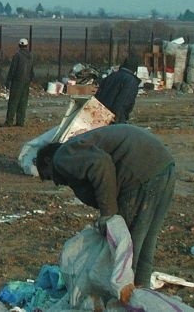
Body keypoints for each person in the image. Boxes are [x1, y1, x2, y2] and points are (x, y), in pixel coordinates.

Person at [35, 124, 176, 302]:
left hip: (140, 174)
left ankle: (124, 299)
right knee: (146, 242)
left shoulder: (62, 157)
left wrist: (109, 214)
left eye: (48, 176)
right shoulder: (79, 148)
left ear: (48, 160)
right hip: (163, 166)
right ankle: (142, 296)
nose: (55, 182)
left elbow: (100, 164)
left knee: (126, 247)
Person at [95, 55, 140, 123]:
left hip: (99, 114)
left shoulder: (111, 76)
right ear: (135, 69)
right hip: (114, 118)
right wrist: (118, 119)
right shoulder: (131, 81)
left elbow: (98, 95)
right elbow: (124, 102)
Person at [4, 38, 35, 127]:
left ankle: (9, 122)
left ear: (19, 45)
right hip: (26, 82)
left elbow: (13, 69)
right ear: (26, 45)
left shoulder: (17, 55)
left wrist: (8, 80)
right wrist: (31, 79)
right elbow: (31, 69)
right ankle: (20, 122)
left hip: (17, 81)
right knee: (23, 101)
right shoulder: (31, 55)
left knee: (13, 101)